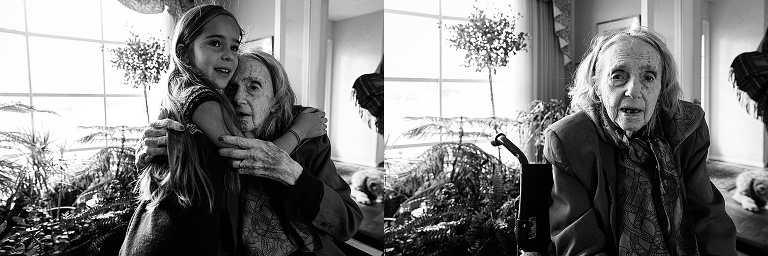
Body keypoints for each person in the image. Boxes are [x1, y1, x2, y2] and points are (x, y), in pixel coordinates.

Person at [119, 5, 325, 256]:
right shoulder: (201, 98)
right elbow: (248, 156)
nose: (228, 55)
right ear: (184, 54)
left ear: (275, 101)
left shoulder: (182, 100)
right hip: (170, 240)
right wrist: (300, 130)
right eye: (215, 43)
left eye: (234, 46)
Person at [545, 26, 737, 255]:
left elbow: (709, 218)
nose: (633, 90)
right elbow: (580, 245)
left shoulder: (687, 128)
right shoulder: (569, 140)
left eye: (648, 77)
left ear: (661, 87)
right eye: (618, 76)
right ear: (596, 85)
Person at [220, 50, 362, 255]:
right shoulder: (214, 135)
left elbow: (347, 223)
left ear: (276, 103)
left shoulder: (310, 143)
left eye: (253, 87)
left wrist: (292, 174)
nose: (238, 98)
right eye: (231, 88)